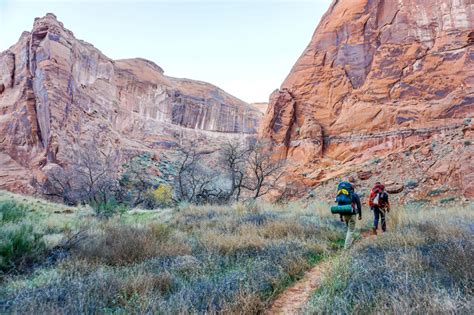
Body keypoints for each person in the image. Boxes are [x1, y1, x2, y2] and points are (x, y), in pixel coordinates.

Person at [337, 181, 362, 249]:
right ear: (352, 188)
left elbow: (339, 206)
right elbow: (359, 206)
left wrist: (341, 216)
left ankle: (350, 242)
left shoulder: (342, 195)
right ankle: (346, 247)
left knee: (349, 229)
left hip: (345, 214)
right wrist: (360, 215)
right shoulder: (355, 195)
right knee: (351, 230)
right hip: (352, 214)